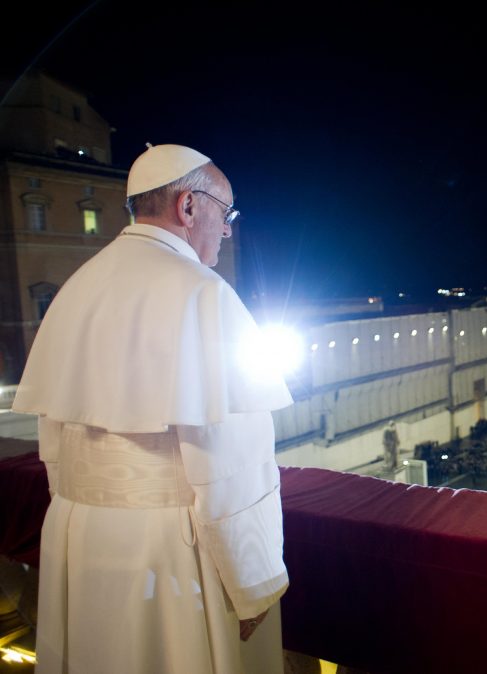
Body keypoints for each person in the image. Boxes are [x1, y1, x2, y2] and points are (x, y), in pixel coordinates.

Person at [13, 144, 294, 673]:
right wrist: (252, 581)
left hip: (79, 537)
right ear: (188, 207)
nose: (229, 229)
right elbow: (233, 465)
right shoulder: (204, 293)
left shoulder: (76, 286)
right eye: (226, 213)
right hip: (171, 555)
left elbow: (53, 444)